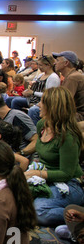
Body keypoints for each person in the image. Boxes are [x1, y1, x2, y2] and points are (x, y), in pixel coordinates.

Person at [24, 87, 84, 227]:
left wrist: (36, 173)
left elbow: (66, 173)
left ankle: (78, 215)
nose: (38, 104)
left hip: (69, 184)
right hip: (44, 177)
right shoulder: (42, 125)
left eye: (42, 102)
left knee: (38, 211)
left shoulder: (67, 136)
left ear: (53, 107)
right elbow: (40, 153)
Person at [6, 55, 61, 126]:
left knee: (33, 110)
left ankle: (31, 131)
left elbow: (49, 95)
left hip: (44, 102)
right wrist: (27, 92)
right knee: (10, 100)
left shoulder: (53, 78)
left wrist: (33, 93)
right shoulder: (41, 75)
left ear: (48, 65)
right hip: (33, 98)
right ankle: (14, 123)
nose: (39, 67)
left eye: (41, 65)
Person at [53, 50, 84, 122]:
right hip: (75, 113)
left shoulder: (72, 78)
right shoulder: (71, 76)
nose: (55, 63)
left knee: (37, 113)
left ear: (66, 63)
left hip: (78, 115)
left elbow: (63, 101)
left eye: (57, 61)